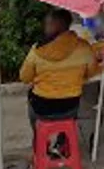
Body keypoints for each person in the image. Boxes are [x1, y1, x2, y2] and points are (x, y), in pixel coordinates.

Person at [20, 9, 99, 153]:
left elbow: (24, 78)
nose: (45, 27)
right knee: (71, 101)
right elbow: (92, 72)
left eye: (48, 24)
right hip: (70, 108)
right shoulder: (83, 47)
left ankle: (40, 142)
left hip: (42, 109)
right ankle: (63, 142)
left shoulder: (38, 50)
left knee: (30, 97)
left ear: (56, 25)